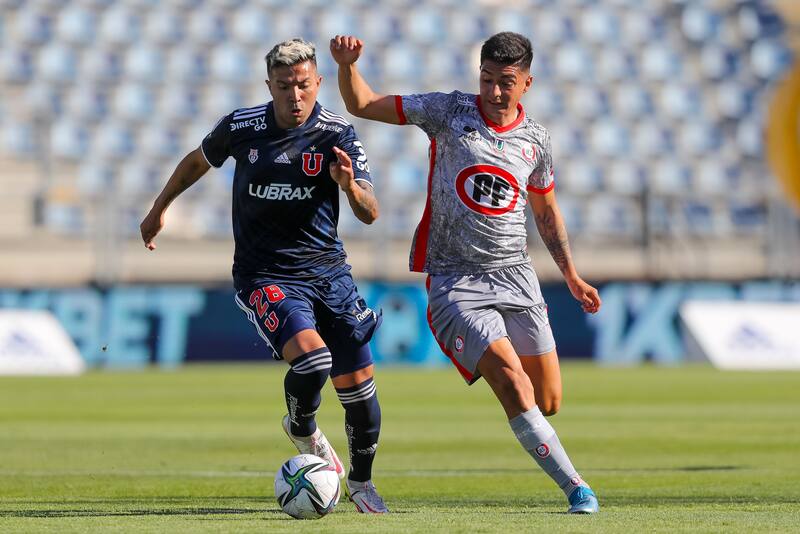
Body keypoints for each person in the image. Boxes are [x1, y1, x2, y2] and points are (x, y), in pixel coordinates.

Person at [331, 32, 601, 514]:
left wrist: (573, 275)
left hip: (517, 276)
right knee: (514, 385)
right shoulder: (449, 111)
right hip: (456, 281)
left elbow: (546, 212)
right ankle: (578, 488)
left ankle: (533, 429)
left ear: (527, 84)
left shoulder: (535, 139)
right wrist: (348, 66)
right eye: (488, 80)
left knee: (548, 400)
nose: (495, 92)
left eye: (507, 83)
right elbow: (364, 103)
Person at [140, 38, 388, 514]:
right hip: (265, 275)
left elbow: (371, 213)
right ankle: (302, 427)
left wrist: (348, 185)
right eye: (284, 86)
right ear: (269, 85)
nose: (295, 96)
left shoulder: (338, 134)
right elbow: (197, 160)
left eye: (303, 86)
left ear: (317, 83)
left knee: (360, 394)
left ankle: (360, 483)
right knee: (314, 364)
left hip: (330, 276)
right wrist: (159, 209)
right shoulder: (242, 126)